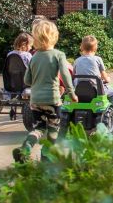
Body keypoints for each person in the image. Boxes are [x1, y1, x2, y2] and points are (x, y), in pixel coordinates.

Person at [12, 20, 77, 164]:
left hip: (35, 101)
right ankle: (46, 158)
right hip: (52, 100)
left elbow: (27, 80)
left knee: (38, 128)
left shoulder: (34, 57)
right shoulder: (58, 55)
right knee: (53, 128)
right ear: (55, 37)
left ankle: (26, 147)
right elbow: (66, 75)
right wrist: (71, 93)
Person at [73, 35, 113, 117]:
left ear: (82, 47)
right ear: (95, 48)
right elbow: (104, 76)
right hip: (96, 91)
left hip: (79, 91)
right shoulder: (98, 59)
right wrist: (107, 79)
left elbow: (74, 75)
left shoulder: (77, 61)